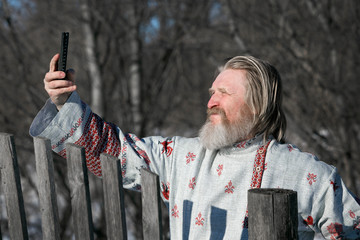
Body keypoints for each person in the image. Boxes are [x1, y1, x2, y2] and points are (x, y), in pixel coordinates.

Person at [30, 54, 360, 239]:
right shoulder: (182, 157)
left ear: (258, 105)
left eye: (224, 93)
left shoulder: (310, 174)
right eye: (212, 91)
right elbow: (113, 149)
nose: (211, 101)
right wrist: (63, 103)